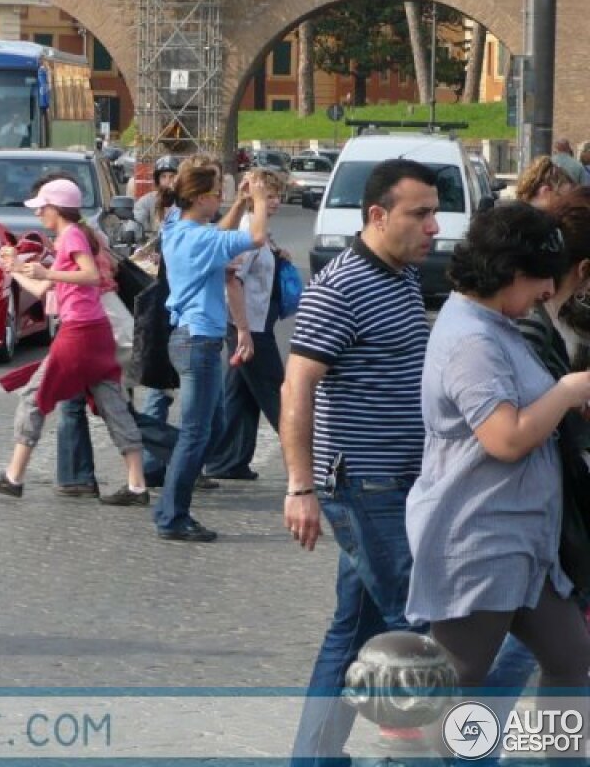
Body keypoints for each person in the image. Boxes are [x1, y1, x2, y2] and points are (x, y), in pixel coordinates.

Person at [407, 201, 590, 746]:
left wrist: (563, 402)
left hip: (521, 541)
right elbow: (506, 438)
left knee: (571, 660)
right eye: (541, 280)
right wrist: (567, 392)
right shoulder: (472, 341)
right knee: (459, 687)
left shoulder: (494, 323)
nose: (545, 293)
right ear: (512, 273)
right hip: (480, 540)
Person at [281, 159, 440, 766]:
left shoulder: (399, 277)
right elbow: (297, 387)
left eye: (433, 211)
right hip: (366, 488)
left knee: (353, 634)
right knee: (414, 633)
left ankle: (314, 757)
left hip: (395, 483)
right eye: (419, 213)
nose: (433, 226)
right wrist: (300, 487)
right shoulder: (341, 287)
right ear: (378, 215)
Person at [0, 178, 147, 503]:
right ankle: (137, 484)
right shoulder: (71, 235)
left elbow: (90, 276)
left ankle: (14, 477)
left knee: (34, 397)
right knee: (112, 403)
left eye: (41, 207)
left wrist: (47, 273)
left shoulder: (71, 236)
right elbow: (43, 291)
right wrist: (12, 269)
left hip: (80, 332)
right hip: (94, 331)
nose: (38, 213)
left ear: (55, 208)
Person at [152, 162, 267, 542]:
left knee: (211, 428)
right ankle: (172, 516)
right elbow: (257, 237)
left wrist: (240, 203)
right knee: (197, 434)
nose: (222, 198)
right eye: (218, 193)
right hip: (198, 340)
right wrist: (259, 201)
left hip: (190, 338)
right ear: (201, 198)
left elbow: (221, 232)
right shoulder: (200, 239)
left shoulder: (176, 226)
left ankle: (169, 499)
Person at [205, 168, 286, 481]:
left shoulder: (260, 230)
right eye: (268, 195)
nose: (275, 201)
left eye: (277, 195)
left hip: (254, 321)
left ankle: (228, 459)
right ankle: (312, 460)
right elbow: (233, 280)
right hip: (248, 324)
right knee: (277, 393)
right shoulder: (248, 229)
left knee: (241, 395)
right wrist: (243, 331)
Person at [132, 156, 180, 243]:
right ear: (158, 180)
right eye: (163, 177)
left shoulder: (187, 201)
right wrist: (131, 231)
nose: (168, 181)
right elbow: (137, 221)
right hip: (154, 249)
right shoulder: (146, 201)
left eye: (172, 177)